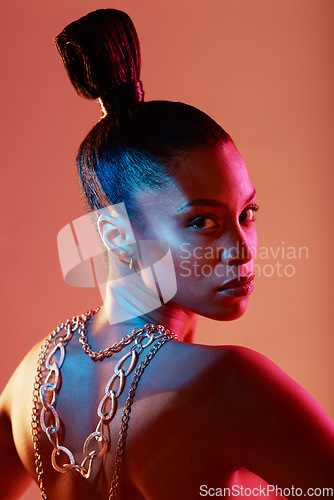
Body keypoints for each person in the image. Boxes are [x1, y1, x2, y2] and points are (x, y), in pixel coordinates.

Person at [0, 8, 333, 500]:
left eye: (247, 213)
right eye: (202, 221)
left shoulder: (31, 379)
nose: (241, 250)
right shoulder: (232, 384)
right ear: (115, 234)